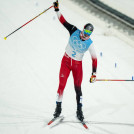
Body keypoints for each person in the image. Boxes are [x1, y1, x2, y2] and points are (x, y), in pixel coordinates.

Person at [53, 1, 97, 122]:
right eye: (85, 32)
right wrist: (57, 10)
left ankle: (79, 110)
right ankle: (58, 108)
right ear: (82, 29)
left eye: (88, 34)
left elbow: (94, 58)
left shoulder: (90, 43)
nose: (85, 35)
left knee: (77, 88)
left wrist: (94, 73)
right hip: (66, 62)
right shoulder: (74, 31)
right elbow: (63, 21)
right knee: (61, 85)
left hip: (77, 65)